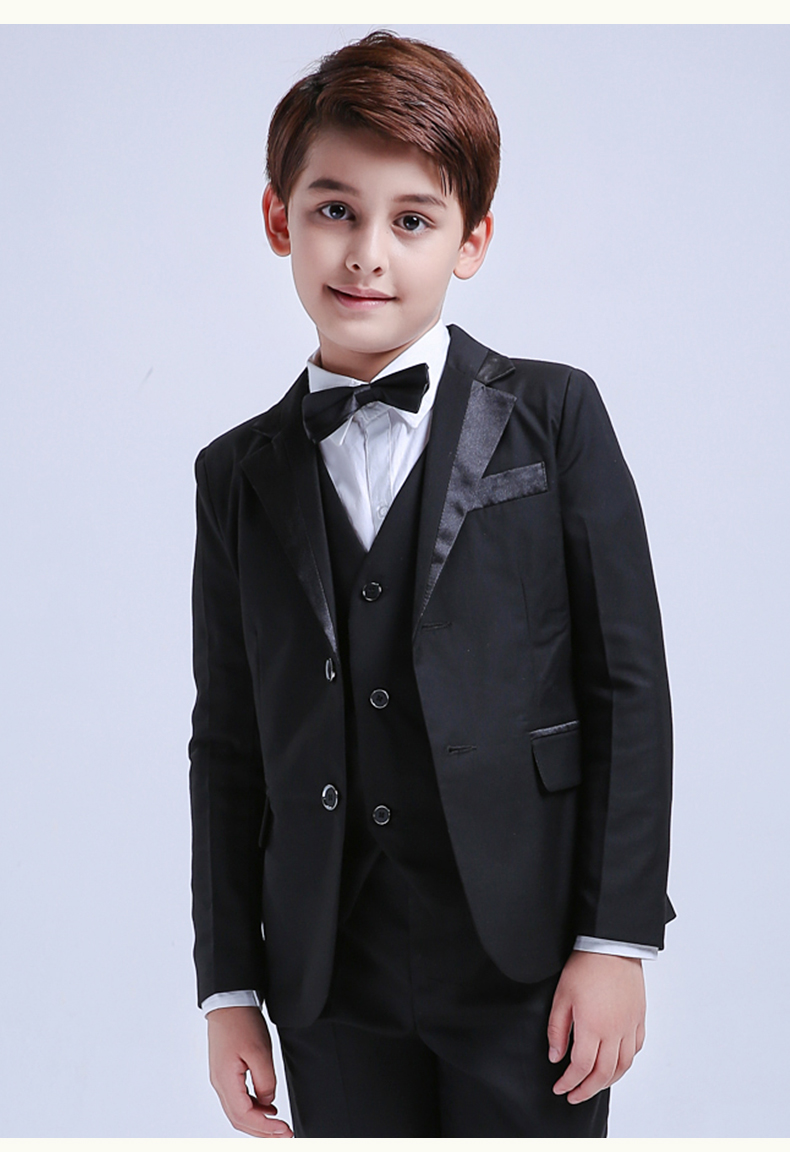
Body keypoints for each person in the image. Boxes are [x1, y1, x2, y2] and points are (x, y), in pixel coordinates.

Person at [189, 30, 674, 1138]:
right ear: (278, 220)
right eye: (335, 209)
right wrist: (229, 990)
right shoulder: (235, 475)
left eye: (412, 220)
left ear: (472, 241)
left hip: (526, 960)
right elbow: (228, 742)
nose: (368, 254)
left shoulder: (552, 416)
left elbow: (627, 689)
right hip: (327, 975)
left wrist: (615, 941)